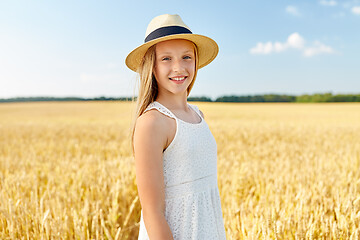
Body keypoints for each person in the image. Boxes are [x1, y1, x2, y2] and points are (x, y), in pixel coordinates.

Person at [126, 14, 227, 240]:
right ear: (151, 66)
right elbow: (152, 211)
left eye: (186, 57)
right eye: (166, 59)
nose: (178, 67)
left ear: (196, 61)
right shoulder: (152, 122)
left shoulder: (198, 115)